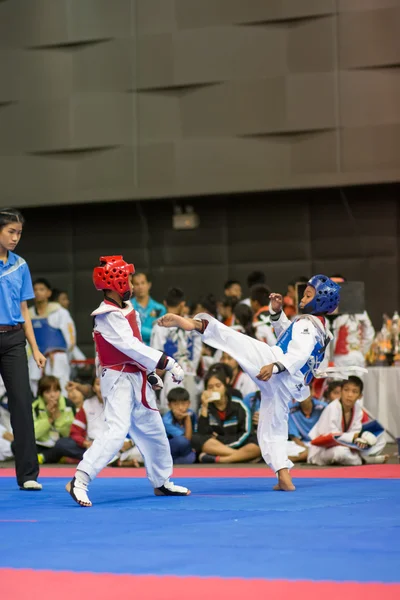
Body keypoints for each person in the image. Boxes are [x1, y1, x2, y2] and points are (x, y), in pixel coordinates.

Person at [158, 274, 341, 491]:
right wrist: (276, 314)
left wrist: (274, 366)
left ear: (320, 300)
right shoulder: (318, 327)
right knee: (273, 427)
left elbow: (298, 352)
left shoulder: (307, 325)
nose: (303, 296)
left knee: (236, 340)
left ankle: (198, 324)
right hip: (290, 381)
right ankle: (283, 475)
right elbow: (289, 339)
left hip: (278, 366)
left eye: (309, 294)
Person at [66, 255, 190, 507]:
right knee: (116, 431)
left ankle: (161, 481)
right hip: (118, 379)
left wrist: (150, 371)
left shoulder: (127, 308)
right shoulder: (105, 315)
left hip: (137, 376)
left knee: (154, 431)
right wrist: (165, 362)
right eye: (130, 279)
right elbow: (130, 346)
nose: (133, 285)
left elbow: (137, 347)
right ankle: (79, 479)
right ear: (117, 281)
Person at [0, 208, 46, 490]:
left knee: (21, 404)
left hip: (14, 340)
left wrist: (36, 348)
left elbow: (24, 310)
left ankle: (28, 475)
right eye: (10, 232)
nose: (16, 238)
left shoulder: (21, 266)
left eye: (19, 233)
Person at [308, 376, 387, 466]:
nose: (349, 395)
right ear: (341, 391)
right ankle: (363, 460)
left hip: (348, 446)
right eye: (346, 390)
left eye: (354, 392)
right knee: (340, 452)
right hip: (323, 451)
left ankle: (360, 458)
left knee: (380, 440)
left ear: (360, 396)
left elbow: (355, 431)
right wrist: (354, 437)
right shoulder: (333, 408)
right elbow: (331, 435)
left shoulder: (358, 409)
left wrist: (360, 440)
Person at [191, 365, 260, 464]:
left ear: (225, 386)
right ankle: (242, 457)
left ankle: (223, 460)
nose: (214, 389)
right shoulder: (204, 408)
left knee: (257, 443)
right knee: (196, 439)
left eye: (218, 386)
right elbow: (203, 434)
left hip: (235, 445)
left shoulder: (238, 405)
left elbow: (245, 433)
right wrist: (205, 407)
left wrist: (220, 439)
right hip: (215, 447)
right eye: (210, 387)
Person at [150, 287, 202, 411]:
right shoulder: (193, 323)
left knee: (171, 409)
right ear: (183, 304)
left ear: (165, 303)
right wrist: (191, 368)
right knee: (189, 409)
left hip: (171, 372)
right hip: (183, 372)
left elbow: (156, 353)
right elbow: (197, 351)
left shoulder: (159, 326)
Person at [28, 278, 78, 396]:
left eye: (42, 289)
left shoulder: (60, 312)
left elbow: (71, 338)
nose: (38, 292)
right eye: (35, 290)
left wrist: (66, 356)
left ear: (49, 293)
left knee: (60, 388)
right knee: (36, 389)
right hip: (35, 359)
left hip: (57, 357)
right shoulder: (28, 314)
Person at [34, 375, 75, 464]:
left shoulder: (68, 404)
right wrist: (50, 419)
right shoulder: (34, 405)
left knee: (64, 445)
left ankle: (44, 457)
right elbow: (33, 433)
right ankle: (55, 457)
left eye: (56, 391)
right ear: (41, 394)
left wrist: (57, 415)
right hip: (42, 443)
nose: (52, 395)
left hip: (61, 443)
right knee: (16, 445)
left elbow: (69, 433)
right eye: (48, 392)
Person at [287, 395, 327, 462]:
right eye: (299, 392)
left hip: (320, 444)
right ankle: (308, 455)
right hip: (302, 445)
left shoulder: (323, 407)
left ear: (311, 392)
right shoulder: (291, 409)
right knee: (281, 446)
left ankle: (295, 458)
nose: (302, 394)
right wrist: (306, 448)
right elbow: (295, 438)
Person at [162, 387, 196, 464]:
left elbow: (196, 432)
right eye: (175, 404)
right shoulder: (166, 420)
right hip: (170, 447)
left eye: (183, 404)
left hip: (186, 448)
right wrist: (187, 418)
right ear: (169, 405)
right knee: (181, 441)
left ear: (189, 403)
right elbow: (186, 439)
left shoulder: (192, 414)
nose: (180, 408)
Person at [131, 272, 166, 345]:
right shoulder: (127, 307)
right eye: (137, 284)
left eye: (143, 283)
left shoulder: (160, 309)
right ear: (132, 287)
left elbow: (162, 333)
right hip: (133, 350)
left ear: (149, 285)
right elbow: (128, 331)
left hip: (154, 350)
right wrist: (153, 332)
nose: (140, 287)